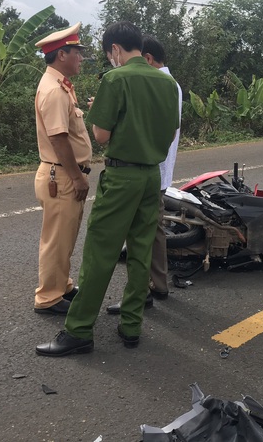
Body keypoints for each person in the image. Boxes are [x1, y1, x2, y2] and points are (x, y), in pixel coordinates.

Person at [36, 21, 179, 356]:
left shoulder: (114, 79)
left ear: (115, 50)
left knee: (100, 252)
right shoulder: (167, 82)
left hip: (122, 177)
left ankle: (80, 330)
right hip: (151, 177)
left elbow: (101, 135)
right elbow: (171, 133)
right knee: (141, 250)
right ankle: (131, 325)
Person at [105, 35, 183, 315]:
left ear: (147, 59)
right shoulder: (170, 84)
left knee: (140, 233)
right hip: (158, 171)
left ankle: (142, 293)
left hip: (145, 170)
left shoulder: (156, 83)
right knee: (153, 230)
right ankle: (157, 284)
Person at [32, 24, 92, 315]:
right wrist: (77, 176)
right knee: (57, 240)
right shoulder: (54, 90)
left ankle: (62, 286)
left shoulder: (61, 85)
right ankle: (48, 297)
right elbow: (58, 139)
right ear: (61, 55)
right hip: (63, 175)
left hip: (62, 174)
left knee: (65, 236)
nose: (81, 57)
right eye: (77, 52)